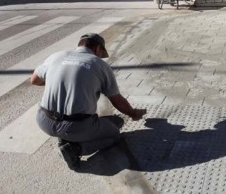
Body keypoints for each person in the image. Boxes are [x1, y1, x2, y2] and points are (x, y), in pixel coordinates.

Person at [30, 33, 147, 169]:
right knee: (115, 134)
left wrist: (59, 81)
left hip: (44, 120)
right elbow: (116, 100)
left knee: (113, 120)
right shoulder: (99, 64)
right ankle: (75, 149)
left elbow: (34, 80)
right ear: (97, 49)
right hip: (75, 126)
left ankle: (65, 138)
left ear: (80, 44)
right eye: (101, 53)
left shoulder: (56, 56)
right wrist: (133, 113)